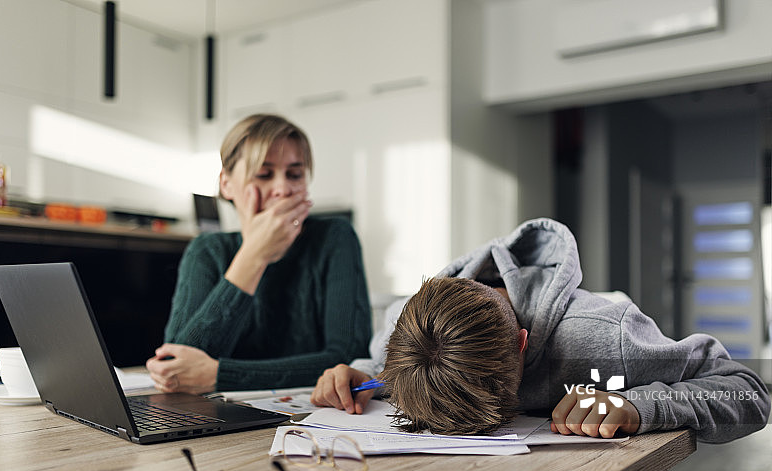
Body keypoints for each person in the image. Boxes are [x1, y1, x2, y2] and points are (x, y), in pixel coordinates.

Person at [311, 218, 770, 443]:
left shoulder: (604, 335)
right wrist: (361, 374)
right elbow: (379, 367)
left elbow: (750, 391)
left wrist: (637, 405)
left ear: (522, 343)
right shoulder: (400, 323)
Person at [147, 114, 372, 393]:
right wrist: (254, 255)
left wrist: (222, 375)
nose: (282, 189)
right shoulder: (207, 250)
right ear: (226, 184)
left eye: (295, 174)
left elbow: (348, 361)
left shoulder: (334, 238)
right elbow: (176, 367)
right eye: (264, 175)